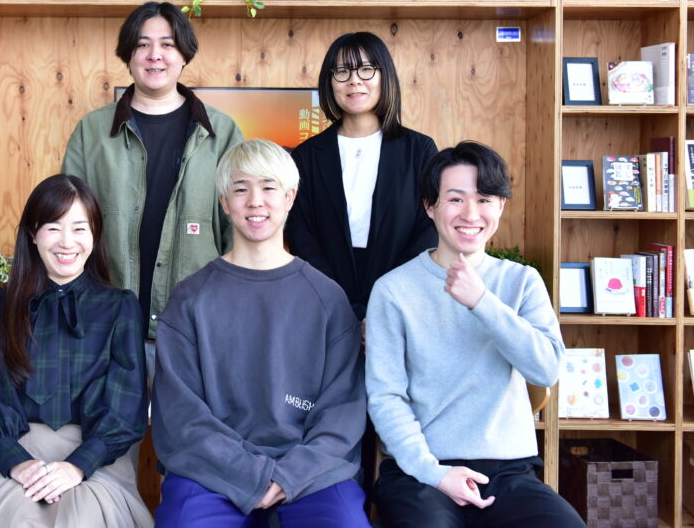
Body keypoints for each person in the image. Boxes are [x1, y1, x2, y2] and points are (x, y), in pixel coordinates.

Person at [152, 139, 370, 527]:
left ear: (289, 197)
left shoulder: (327, 299)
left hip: (311, 473)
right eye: (241, 189)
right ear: (224, 202)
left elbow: (343, 411)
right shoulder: (190, 299)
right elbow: (181, 415)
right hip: (212, 471)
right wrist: (249, 474)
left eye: (269, 187)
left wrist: (290, 476)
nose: (255, 201)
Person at [366, 141, 584, 528]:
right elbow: (386, 397)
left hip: (509, 472)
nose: (470, 213)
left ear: (500, 206)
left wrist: (482, 301)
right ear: (430, 206)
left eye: (484, 199)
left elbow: (547, 369)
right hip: (422, 472)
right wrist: (434, 473)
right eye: (455, 199)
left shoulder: (521, 281)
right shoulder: (393, 290)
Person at [0, 174, 152, 527]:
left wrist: (77, 466)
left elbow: (125, 411)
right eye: (53, 227)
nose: (67, 242)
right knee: (14, 515)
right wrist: (16, 461)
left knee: (83, 517)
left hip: (94, 455)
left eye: (80, 229)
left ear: (95, 235)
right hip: (5, 449)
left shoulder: (119, 308)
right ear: (33, 234)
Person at [62, 1, 243, 345]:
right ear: (128, 55)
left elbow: (237, 232)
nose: (154, 55)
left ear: (184, 55)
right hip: (105, 326)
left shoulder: (222, 133)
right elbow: (68, 224)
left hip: (196, 328)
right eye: (142, 44)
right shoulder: (91, 131)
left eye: (167, 44)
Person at [287, 31, 437, 321]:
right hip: (326, 302)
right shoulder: (307, 156)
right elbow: (301, 234)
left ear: (385, 76)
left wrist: (387, 301)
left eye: (366, 69)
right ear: (330, 82)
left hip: (402, 300)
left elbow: (429, 228)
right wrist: (340, 304)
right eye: (342, 71)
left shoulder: (419, 149)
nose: (354, 80)